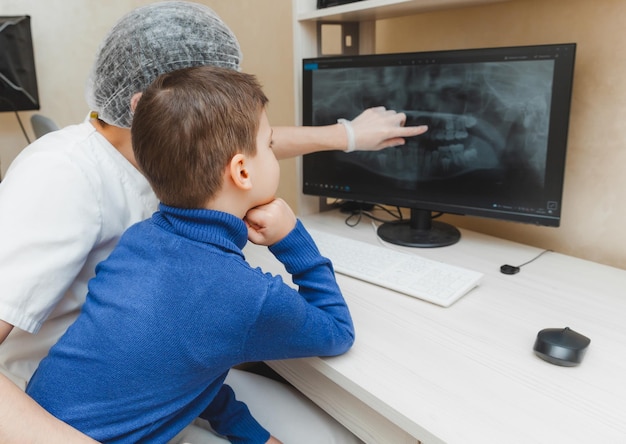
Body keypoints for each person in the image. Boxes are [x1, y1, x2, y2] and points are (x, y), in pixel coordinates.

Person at [0, 2, 427, 443]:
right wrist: (292, 239)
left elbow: (182, 353)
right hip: (40, 422)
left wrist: (348, 135)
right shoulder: (59, 175)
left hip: (128, 388)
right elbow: (336, 332)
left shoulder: (156, 208)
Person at [26, 64, 355, 444]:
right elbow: (338, 332)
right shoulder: (247, 295)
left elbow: (181, 364)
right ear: (242, 171)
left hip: (33, 420)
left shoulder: (137, 240)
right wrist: (291, 236)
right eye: (268, 145)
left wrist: (250, 434)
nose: (272, 153)